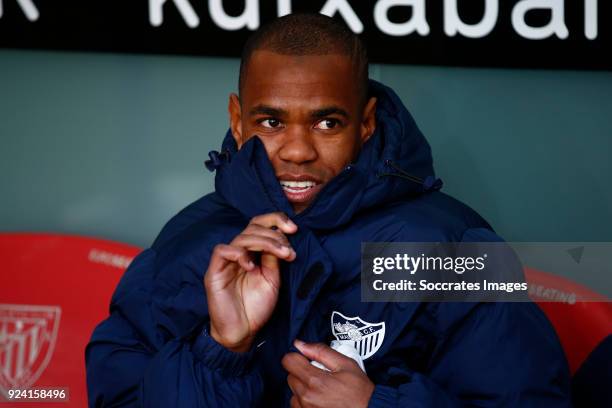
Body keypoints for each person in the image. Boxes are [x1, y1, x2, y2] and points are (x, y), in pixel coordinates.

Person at [86, 13, 571, 407]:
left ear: (364, 123)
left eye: (327, 122)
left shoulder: (449, 249)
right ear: (237, 121)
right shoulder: (193, 242)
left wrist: (374, 406)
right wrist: (221, 350)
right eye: (271, 121)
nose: (297, 150)